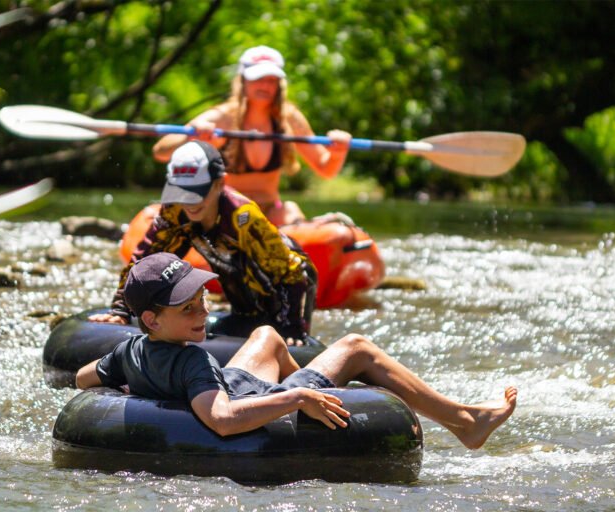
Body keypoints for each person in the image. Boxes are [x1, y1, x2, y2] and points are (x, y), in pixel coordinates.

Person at [77, 252, 518, 448]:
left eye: (202, 299)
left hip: (231, 383)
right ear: (153, 319)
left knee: (267, 335)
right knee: (356, 347)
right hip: (246, 400)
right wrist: (299, 398)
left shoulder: (131, 350)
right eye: (188, 307)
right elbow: (224, 422)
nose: (203, 312)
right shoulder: (192, 360)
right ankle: (466, 422)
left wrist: (142, 393)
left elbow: (83, 378)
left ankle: (301, 383)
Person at [90, 140, 317, 341]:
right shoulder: (175, 211)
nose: (189, 202)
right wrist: (120, 310)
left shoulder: (243, 218)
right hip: (243, 310)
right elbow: (146, 262)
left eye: (197, 192)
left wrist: (292, 328)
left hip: (289, 296)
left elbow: (293, 273)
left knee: (277, 331)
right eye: (182, 191)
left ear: (219, 183)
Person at [153, 45, 353, 226]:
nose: (265, 86)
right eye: (258, 78)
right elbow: (160, 152)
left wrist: (338, 151)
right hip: (223, 212)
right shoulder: (222, 118)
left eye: (272, 80)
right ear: (243, 81)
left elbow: (326, 169)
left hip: (268, 213)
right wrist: (191, 136)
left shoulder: (289, 119)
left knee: (290, 209)